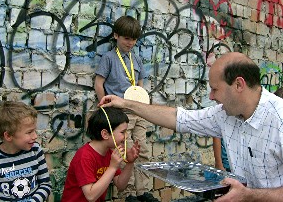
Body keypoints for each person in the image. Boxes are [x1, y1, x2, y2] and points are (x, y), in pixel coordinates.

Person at [98, 52, 283, 202]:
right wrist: (126, 104)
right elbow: (179, 118)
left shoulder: (279, 119)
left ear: (238, 85)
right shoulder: (224, 114)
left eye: (215, 89)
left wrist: (248, 195)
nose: (211, 97)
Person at [94, 15, 158, 202]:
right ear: (116, 36)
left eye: (134, 39)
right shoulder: (109, 58)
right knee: (125, 152)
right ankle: (128, 192)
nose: (131, 43)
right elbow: (99, 83)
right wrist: (105, 107)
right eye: (127, 38)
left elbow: (139, 85)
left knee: (142, 150)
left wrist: (142, 105)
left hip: (138, 111)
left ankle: (142, 191)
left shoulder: (136, 60)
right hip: (119, 114)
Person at [61, 107, 140, 202]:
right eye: (122, 132)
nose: (126, 136)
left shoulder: (109, 153)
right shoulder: (84, 156)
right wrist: (112, 167)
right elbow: (90, 196)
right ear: (105, 134)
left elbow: (120, 185)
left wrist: (130, 163)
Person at [0, 101, 52, 201]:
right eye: (29, 132)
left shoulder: (35, 151)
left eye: (34, 130)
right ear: (8, 136)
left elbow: (45, 184)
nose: (35, 136)